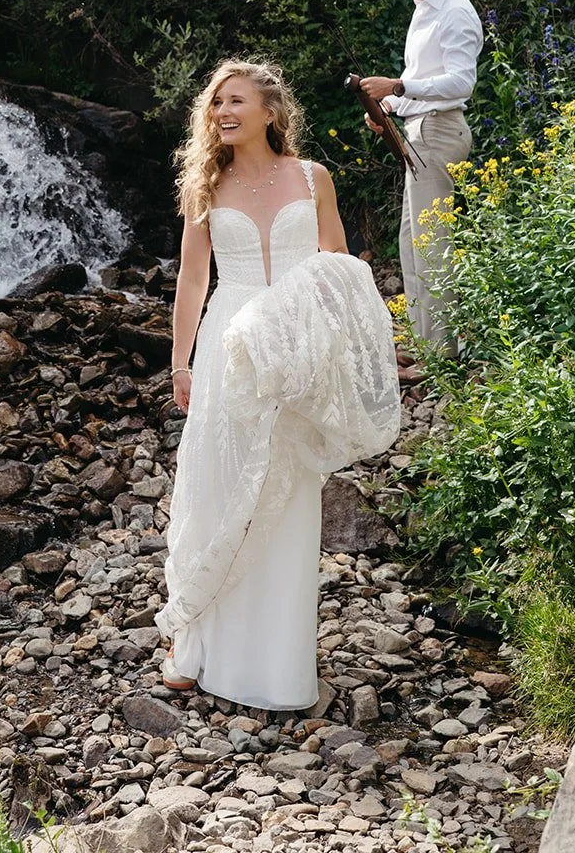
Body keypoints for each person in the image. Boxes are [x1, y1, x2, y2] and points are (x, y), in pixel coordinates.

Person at [156, 59, 401, 711]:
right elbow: (190, 281)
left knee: (287, 495)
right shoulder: (206, 186)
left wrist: (339, 353)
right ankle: (195, 643)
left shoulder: (312, 178)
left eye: (234, 101)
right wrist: (180, 362)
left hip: (295, 350)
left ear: (270, 110)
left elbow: (336, 266)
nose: (222, 113)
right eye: (214, 104)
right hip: (228, 351)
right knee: (216, 486)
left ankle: (276, 665)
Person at [360, 0, 483, 349]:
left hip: (440, 132)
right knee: (412, 245)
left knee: (433, 246)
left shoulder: (456, 12)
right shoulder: (424, 8)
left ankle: (442, 352)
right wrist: (388, 109)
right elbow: (424, 82)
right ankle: (426, 342)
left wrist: (395, 86)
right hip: (420, 130)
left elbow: (461, 82)